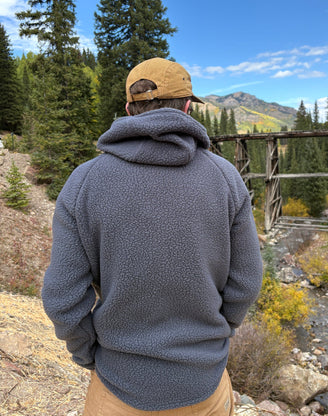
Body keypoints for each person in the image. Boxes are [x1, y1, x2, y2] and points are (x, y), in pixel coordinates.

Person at [42, 57, 263, 416]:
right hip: (204, 386)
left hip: (117, 389)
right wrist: (213, 338)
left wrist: (89, 355)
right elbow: (247, 283)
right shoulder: (226, 178)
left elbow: (62, 297)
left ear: (130, 109)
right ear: (188, 107)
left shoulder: (84, 182)